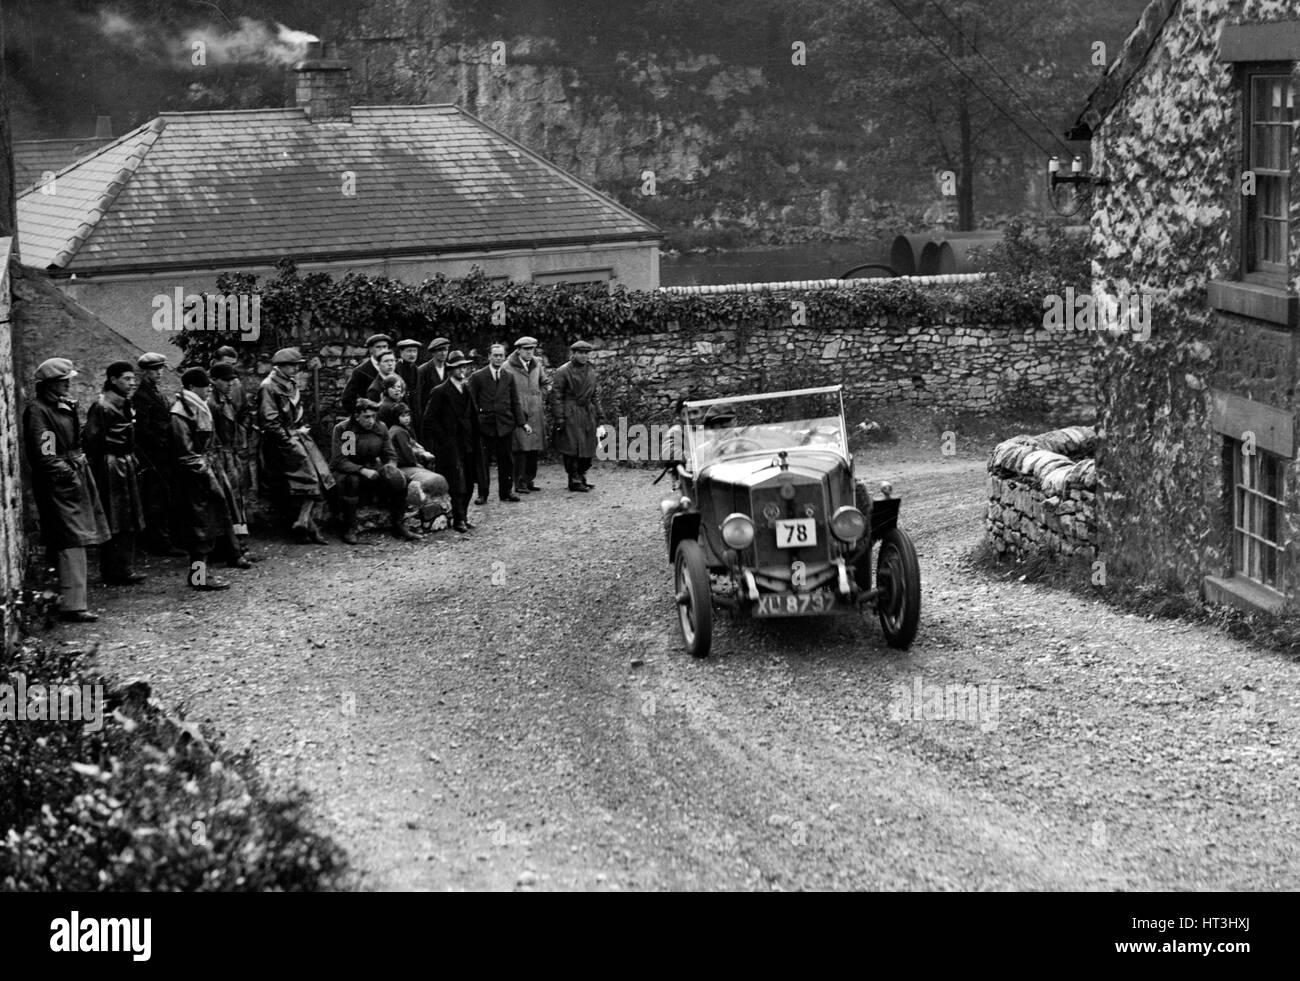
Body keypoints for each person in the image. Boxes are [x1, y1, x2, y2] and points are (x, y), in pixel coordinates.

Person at [22, 358, 111, 621]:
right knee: (71, 540)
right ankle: (73, 605)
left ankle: (64, 600)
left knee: (73, 537)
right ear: (49, 384)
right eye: (63, 381)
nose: (68, 384)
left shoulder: (62, 405)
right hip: (60, 483)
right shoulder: (39, 411)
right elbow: (46, 454)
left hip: (73, 475)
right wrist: (68, 475)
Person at [258, 347, 335, 543]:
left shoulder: (290, 383)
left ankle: (306, 525)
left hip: (298, 436)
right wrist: (288, 440)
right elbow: (270, 421)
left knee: (321, 475)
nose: (295, 369)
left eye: (296, 366)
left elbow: (297, 412)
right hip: (283, 441)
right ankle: (305, 524)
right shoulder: (269, 386)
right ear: (280, 366)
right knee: (306, 481)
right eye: (291, 365)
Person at [168, 367, 235, 590]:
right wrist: (207, 473)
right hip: (193, 477)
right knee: (199, 528)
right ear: (191, 387)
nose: (208, 389)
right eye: (204, 385)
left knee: (207, 524)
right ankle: (198, 577)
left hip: (203, 470)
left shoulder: (196, 406)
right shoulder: (180, 413)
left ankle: (201, 575)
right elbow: (185, 454)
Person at [83, 361, 147, 585]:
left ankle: (125, 568)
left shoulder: (124, 403)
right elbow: (92, 440)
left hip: (125, 462)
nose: (132, 383)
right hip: (110, 465)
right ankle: (112, 570)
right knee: (114, 516)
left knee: (128, 516)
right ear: (112, 380)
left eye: (133, 379)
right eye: (126, 379)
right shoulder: (102, 406)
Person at [330, 398, 417, 544]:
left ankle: (398, 524)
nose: (371, 420)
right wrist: (362, 470)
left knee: (400, 479)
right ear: (357, 416)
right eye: (366, 417)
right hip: (348, 470)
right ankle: (350, 528)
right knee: (353, 481)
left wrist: (390, 468)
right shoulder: (347, 431)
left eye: (373, 416)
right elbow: (341, 461)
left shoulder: (380, 428)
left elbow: (390, 455)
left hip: (371, 467)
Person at [422, 350, 480, 533]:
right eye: (458, 367)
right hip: (450, 444)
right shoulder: (440, 391)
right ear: (450, 370)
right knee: (457, 482)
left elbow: (473, 416)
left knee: (470, 479)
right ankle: (458, 519)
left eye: (464, 366)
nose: (462, 370)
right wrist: (444, 440)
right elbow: (428, 421)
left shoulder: (467, 388)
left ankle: (464, 515)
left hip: (468, 442)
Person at [131, 351, 182, 555]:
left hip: (163, 452)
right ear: (143, 372)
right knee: (156, 499)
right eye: (154, 370)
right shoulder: (141, 396)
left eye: (160, 368)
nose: (159, 373)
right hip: (153, 455)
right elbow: (144, 430)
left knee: (163, 496)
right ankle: (159, 542)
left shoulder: (155, 392)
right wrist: (161, 443)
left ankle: (163, 538)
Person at [208, 363, 257, 566]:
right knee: (227, 505)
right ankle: (231, 551)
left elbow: (241, 417)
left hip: (231, 455)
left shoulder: (224, 398)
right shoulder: (211, 403)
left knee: (236, 503)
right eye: (226, 380)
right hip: (220, 457)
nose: (231, 384)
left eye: (232, 380)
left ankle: (239, 547)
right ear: (214, 380)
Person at [468, 342, 526, 504]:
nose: (499, 358)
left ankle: (506, 492)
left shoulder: (508, 376)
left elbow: (515, 401)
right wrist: (475, 423)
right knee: (483, 462)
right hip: (485, 426)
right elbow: (471, 403)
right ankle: (482, 494)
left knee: (507, 460)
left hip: (505, 425)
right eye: (496, 355)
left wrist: (521, 422)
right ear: (489, 357)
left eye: (501, 355)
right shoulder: (478, 377)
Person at [380, 401, 451, 532]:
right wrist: (417, 463)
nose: (406, 418)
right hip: (401, 465)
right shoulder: (399, 432)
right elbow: (407, 453)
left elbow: (413, 445)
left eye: (408, 415)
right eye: (402, 416)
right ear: (396, 417)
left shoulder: (399, 430)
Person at [550, 340, 607, 493]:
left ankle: (581, 476)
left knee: (588, 446)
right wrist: (560, 417)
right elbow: (556, 396)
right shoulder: (563, 371)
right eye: (580, 353)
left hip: (588, 412)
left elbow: (595, 395)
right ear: (573, 354)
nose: (583, 356)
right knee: (572, 448)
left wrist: (600, 415)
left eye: (586, 353)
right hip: (571, 412)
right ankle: (574, 479)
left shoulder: (591, 370)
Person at [502, 335, 549, 493]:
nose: (529, 352)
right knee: (521, 448)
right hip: (519, 412)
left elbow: (545, 382)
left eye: (532, 349)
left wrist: (539, 395)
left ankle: (529, 480)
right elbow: (503, 390)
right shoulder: (508, 367)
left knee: (533, 448)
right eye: (526, 349)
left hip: (535, 412)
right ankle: (519, 482)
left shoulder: (537, 364)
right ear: (518, 350)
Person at [211, 345, 255, 497]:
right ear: (214, 362)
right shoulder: (206, 386)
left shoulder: (235, 383)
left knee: (240, 486)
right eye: (227, 364)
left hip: (236, 444)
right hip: (219, 447)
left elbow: (246, 410)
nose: (231, 369)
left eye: (233, 365)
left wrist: (242, 428)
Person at [340, 333, 392, 414]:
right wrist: (362, 414)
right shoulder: (361, 371)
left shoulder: (394, 367)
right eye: (378, 347)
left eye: (385, 347)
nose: (382, 350)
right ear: (371, 350)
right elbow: (347, 399)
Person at [394, 338, 424, 424]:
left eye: (415, 351)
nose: (412, 354)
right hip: (402, 413)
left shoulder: (416, 369)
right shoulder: (396, 369)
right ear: (401, 352)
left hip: (415, 413)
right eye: (409, 351)